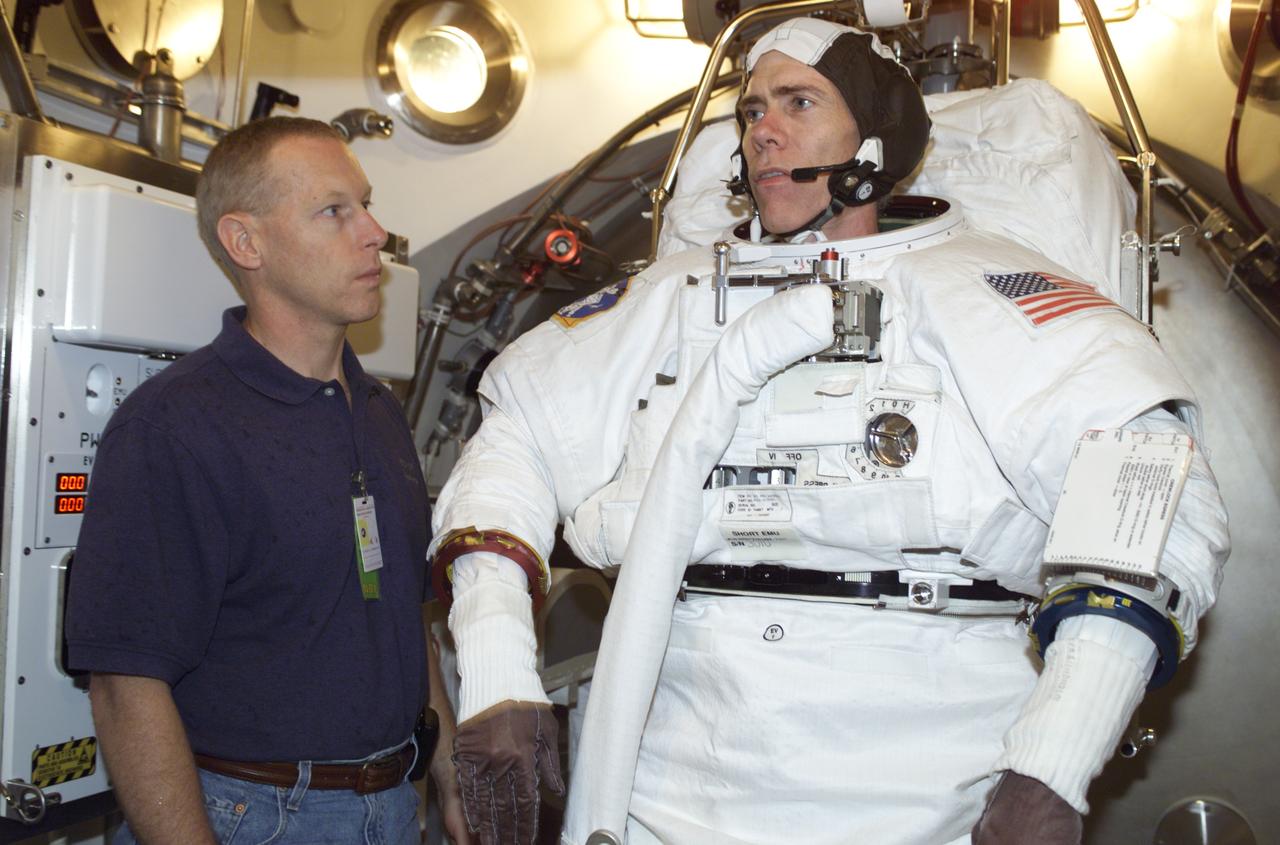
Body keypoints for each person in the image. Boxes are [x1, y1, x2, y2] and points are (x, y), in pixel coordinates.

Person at [430, 17, 1229, 845]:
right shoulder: (669, 299)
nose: (763, 132)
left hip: (930, 789)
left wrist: (1052, 767)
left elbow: (1148, 484)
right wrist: (495, 672)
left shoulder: (985, 286)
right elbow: (511, 442)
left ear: (874, 139)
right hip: (666, 786)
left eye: (798, 102)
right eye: (750, 113)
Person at [65, 117, 470, 844]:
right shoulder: (175, 425)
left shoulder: (378, 410)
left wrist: (448, 772)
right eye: (334, 210)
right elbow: (125, 686)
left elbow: (404, 611)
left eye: (367, 204)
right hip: (250, 814)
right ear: (245, 242)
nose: (376, 231)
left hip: (389, 803)